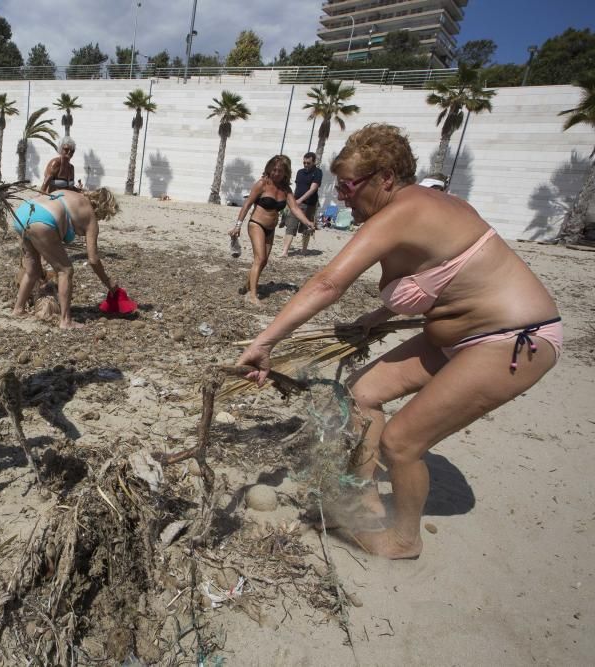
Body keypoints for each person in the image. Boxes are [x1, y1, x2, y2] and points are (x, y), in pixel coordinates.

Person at [237, 124, 561, 559]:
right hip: (454, 337)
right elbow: (437, 274)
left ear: (386, 177)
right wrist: (379, 315)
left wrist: (266, 342)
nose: (342, 196)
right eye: (339, 186)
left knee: (402, 443)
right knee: (362, 394)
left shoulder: (406, 211)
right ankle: (364, 502)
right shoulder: (401, 213)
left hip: (514, 342)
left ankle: (404, 540)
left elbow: (328, 283)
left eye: (349, 185)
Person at [11, 189, 120, 329]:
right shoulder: (90, 216)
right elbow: (93, 259)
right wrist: (108, 282)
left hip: (23, 212)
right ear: (104, 208)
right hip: (42, 220)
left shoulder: (69, 193)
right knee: (65, 270)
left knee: (33, 270)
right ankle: (66, 320)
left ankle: (18, 309)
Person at [229, 155, 315, 305]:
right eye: (274, 170)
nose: (276, 173)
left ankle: (247, 285)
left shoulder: (286, 189)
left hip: (271, 228)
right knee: (260, 258)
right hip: (256, 224)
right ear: (269, 168)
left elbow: (294, 208)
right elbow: (247, 204)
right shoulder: (262, 184)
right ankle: (252, 295)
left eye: (280, 171)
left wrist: (308, 222)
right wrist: (238, 225)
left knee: (264, 261)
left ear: (285, 173)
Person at [279, 151, 323, 257]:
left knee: (307, 227)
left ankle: (304, 250)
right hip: (296, 203)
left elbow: (313, 189)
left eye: (308, 163)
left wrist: (300, 200)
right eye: (304, 163)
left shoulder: (317, 172)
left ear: (314, 162)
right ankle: (285, 252)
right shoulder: (299, 172)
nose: (306, 165)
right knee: (290, 225)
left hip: (309, 204)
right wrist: (292, 200)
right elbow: (298, 188)